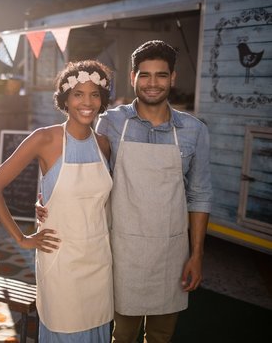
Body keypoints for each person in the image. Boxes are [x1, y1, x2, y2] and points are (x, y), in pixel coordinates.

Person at [38, 40, 213, 343]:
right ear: (133, 78)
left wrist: (196, 255)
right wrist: (45, 200)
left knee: (161, 336)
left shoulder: (194, 131)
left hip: (170, 252)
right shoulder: (110, 123)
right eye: (144, 75)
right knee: (122, 336)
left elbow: (199, 195)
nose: (152, 83)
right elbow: (75, 163)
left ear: (173, 78)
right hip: (121, 251)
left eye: (161, 75)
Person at [0, 60, 114, 342]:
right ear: (65, 99)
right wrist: (21, 238)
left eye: (94, 94)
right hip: (61, 262)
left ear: (102, 99)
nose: (87, 101)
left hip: (99, 262)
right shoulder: (44, 139)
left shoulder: (103, 144)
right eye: (78, 94)